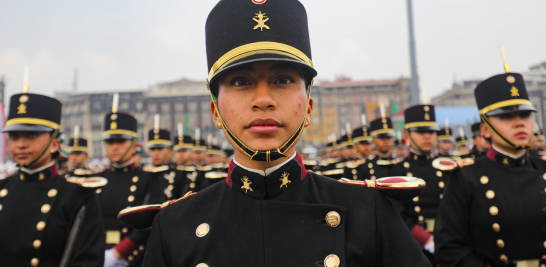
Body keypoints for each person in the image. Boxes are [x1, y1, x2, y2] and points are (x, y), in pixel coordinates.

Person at [119, 0, 430, 266]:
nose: (263, 99)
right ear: (216, 112)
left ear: (308, 107)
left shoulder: (368, 212)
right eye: (241, 82)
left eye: (282, 80)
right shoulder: (174, 225)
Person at [435, 72, 546, 267]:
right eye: (506, 116)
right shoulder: (465, 177)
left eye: (525, 114)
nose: (519, 122)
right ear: (485, 129)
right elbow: (449, 249)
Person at [0, 90, 104, 266]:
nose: (21, 144)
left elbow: (87, 261)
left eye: (32, 135)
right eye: (14, 136)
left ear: (55, 144)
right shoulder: (3, 189)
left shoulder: (77, 197)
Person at [98, 95, 162, 266]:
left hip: (133, 257)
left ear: (134, 144)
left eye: (120, 140)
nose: (114, 146)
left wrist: (119, 253)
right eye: (109, 141)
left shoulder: (149, 179)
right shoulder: (97, 179)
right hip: (98, 255)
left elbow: (151, 223)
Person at [395, 104, 459, 265]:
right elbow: (397, 214)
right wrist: (427, 240)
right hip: (414, 246)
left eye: (431, 131)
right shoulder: (398, 170)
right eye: (420, 132)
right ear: (407, 134)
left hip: (448, 242)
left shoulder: (447, 167)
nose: (427, 136)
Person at [142, 116, 185, 201]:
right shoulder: (143, 174)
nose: (156, 153)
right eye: (152, 149)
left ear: (169, 151)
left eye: (160, 149)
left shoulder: (179, 175)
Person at [346, 115, 399, 181]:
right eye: (381, 138)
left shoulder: (400, 164)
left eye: (389, 137)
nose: (386, 141)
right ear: (373, 140)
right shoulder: (364, 167)